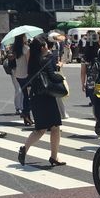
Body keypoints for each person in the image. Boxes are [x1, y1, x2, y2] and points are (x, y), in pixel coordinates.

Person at [17, 37, 65, 167]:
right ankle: (54, 156)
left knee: (40, 129)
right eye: (45, 45)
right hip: (47, 97)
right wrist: (60, 72)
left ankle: (24, 149)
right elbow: (53, 77)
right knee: (55, 127)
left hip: (35, 97)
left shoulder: (32, 62)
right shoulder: (45, 61)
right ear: (42, 47)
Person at [11, 34, 32, 127]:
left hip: (18, 75)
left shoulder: (15, 49)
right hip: (26, 74)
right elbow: (29, 63)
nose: (26, 38)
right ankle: (25, 112)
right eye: (25, 36)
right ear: (22, 38)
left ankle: (27, 118)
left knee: (25, 95)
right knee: (29, 96)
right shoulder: (26, 49)